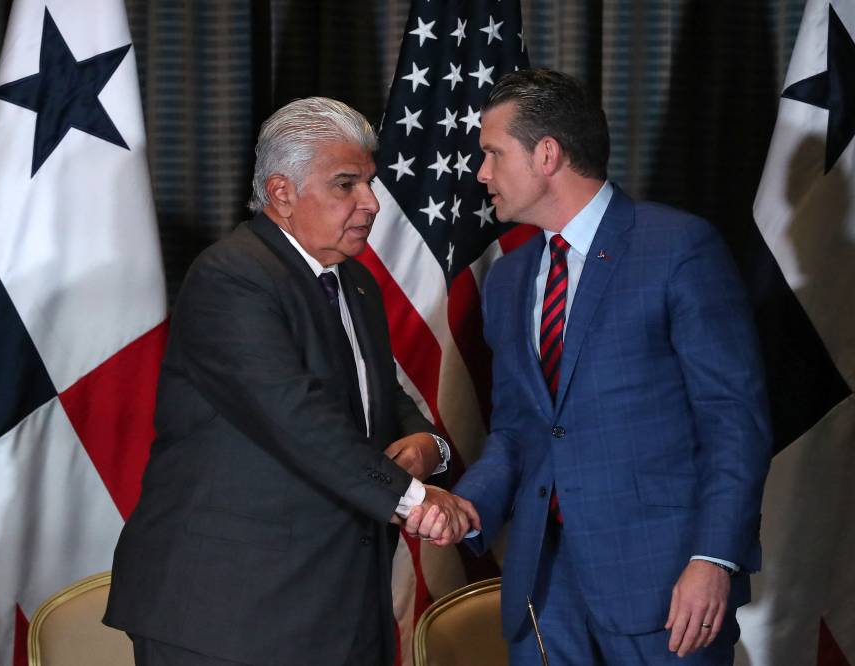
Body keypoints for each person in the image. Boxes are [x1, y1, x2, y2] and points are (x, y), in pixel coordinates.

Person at [104, 97, 478, 666]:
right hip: (229, 615)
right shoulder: (232, 276)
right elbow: (293, 415)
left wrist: (430, 444)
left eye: (369, 182)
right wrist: (413, 499)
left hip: (338, 606)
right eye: (346, 184)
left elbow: (378, 393)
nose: (371, 203)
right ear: (281, 193)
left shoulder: (354, 284)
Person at [447, 69, 771, 664]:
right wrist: (467, 506)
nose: (482, 173)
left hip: (663, 584)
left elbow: (733, 421)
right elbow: (518, 431)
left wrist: (714, 558)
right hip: (544, 589)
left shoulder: (678, 248)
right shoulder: (509, 278)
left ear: (547, 154)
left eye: (493, 153)